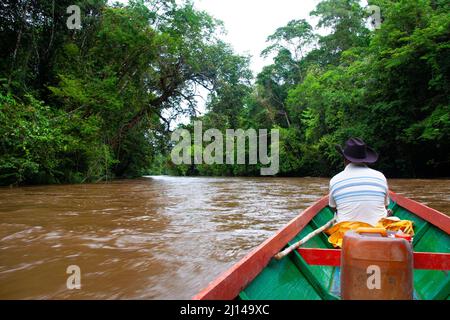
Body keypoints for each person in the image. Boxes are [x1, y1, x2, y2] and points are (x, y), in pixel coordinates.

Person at [329, 137, 390, 226]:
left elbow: (333, 207)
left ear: (345, 159)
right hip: (379, 230)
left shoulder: (335, 180)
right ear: (365, 160)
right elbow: (385, 206)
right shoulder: (380, 176)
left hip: (347, 232)